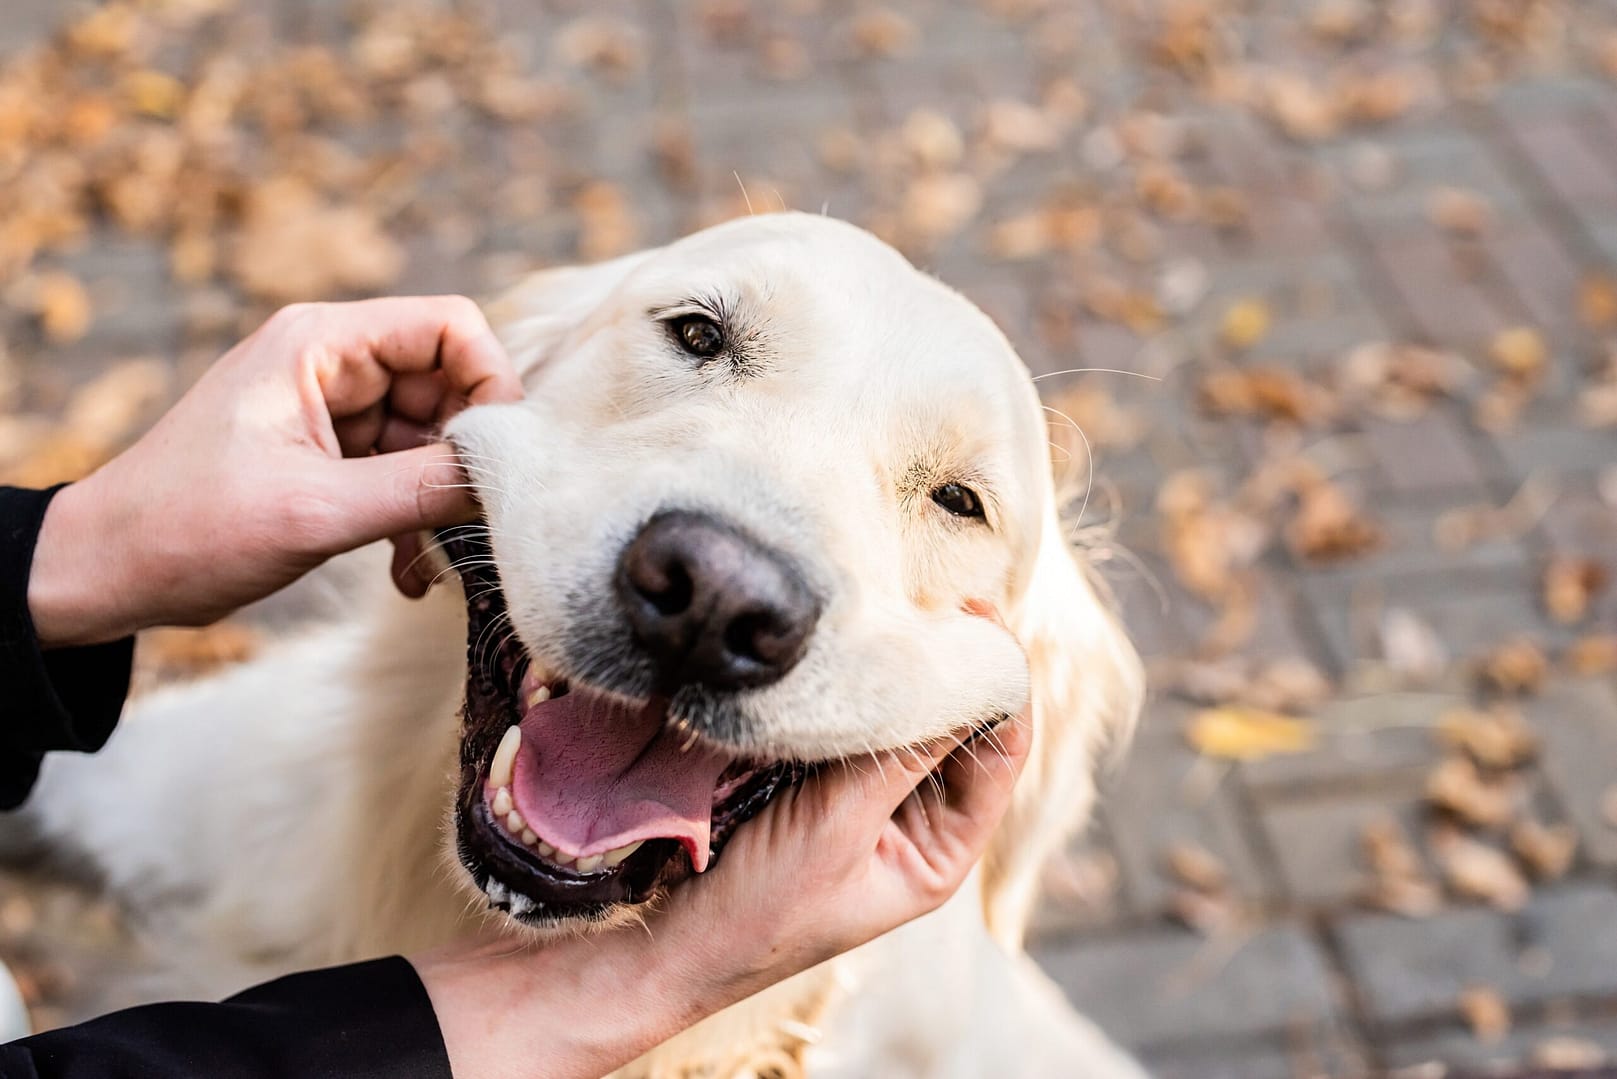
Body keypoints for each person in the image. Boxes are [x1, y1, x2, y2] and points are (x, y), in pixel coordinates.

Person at [0, 297, 1031, 1078]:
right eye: (698, 338)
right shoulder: (257, 749)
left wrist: (63, 560)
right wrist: (79, 551)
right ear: (502, 380)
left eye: (955, 499)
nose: (729, 577)